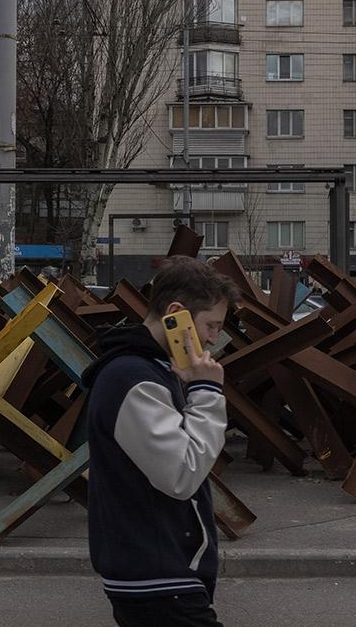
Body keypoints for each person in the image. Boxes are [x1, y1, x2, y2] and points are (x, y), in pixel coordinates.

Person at [83, 256, 241, 627]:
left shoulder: (150, 371)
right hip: (157, 576)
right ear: (176, 314)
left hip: (158, 573)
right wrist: (206, 392)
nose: (214, 338)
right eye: (211, 325)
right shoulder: (134, 378)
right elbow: (181, 475)